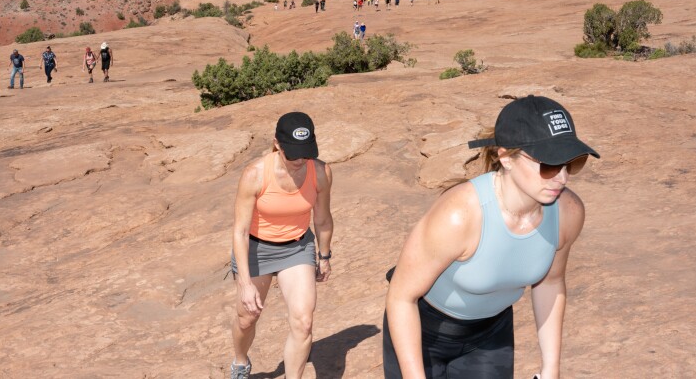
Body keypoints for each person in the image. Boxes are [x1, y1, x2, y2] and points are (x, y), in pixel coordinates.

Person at [384, 95, 599, 379]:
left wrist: (551, 369)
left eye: (571, 163)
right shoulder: (460, 215)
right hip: (422, 331)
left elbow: (551, 282)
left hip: (490, 335)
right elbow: (401, 298)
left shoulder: (567, 213)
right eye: (549, 164)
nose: (562, 178)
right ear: (506, 157)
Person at [230, 112, 334, 379]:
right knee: (247, 318)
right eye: (293, 154)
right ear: (277, 144)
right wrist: (245, 283)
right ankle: (241, 361)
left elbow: (322, 219)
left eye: (306, 153)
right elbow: (240, 231)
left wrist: (324, 255)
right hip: (256, 250)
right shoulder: (254, 175)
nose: (300, 160)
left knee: (303, 322)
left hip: (297, 248)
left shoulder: (320, 172)